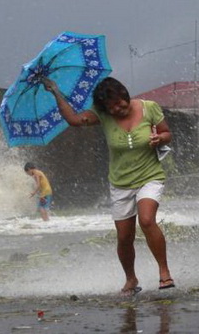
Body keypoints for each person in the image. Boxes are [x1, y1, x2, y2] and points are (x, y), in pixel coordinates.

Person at [43, 77, 175, 295]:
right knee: (124, 237)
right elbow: (75, 120)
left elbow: (167, 133)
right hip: (120, 182)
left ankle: (164, 273)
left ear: (125, 94)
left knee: (147, 220)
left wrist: (159, 139)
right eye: (111, 107)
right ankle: (131, 279)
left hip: (149, 176)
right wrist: (56, 92)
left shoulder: (149, 107)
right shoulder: (102, 115)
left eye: (119, 103)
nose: (117, 108)